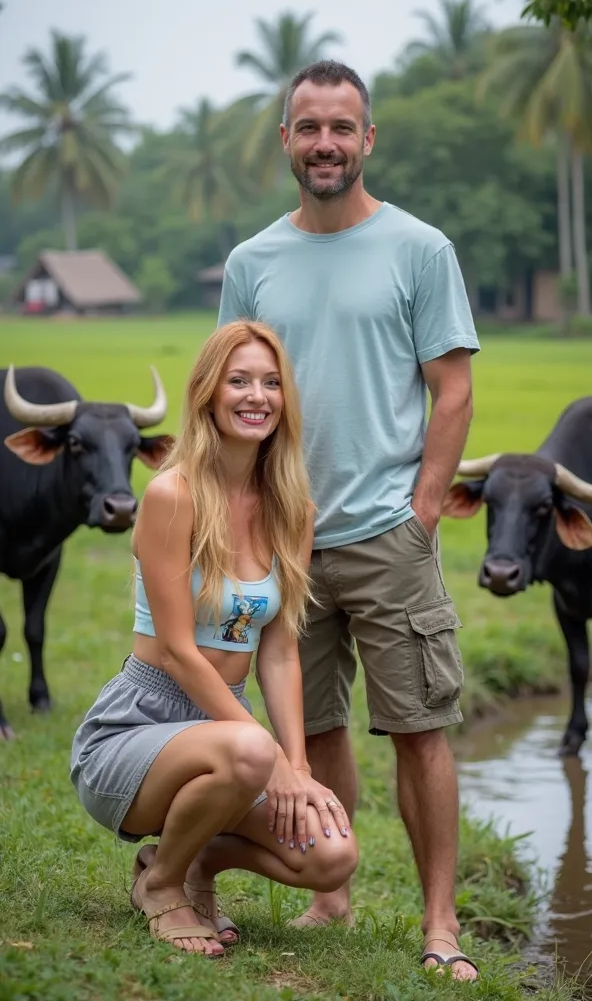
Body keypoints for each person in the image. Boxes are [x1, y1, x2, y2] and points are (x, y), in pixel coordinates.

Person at [217, 61, 481, 980]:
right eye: (308, 127)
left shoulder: (420, 249)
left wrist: (420, 515)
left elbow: (452, 392)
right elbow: (230, 398)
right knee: (317, 728)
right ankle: (333, 894)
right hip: (285, 542)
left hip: (388, 535)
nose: (324, 143)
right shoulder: (253, 262)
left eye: (342, 127)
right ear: (285, 139)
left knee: (419, 727)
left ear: (368, 140)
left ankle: (440, 922)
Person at [70, 319, 358, 957]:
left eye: (270, 383)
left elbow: (280, 651)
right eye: (239, 381)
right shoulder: (173, 495)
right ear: (208, 393)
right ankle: (164, 889)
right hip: (138, 726)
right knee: (251, 753)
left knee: (333, 857)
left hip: (233, 732)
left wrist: (300, 767)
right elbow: (176, 649)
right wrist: (272, 759)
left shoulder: (293, 508)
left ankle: (188, 861)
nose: (256, 396)